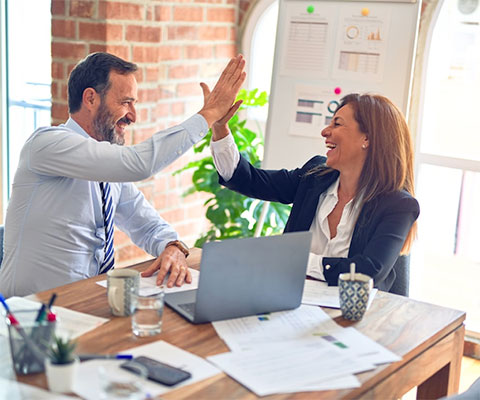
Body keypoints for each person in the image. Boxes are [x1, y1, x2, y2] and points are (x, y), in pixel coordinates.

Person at [0, 52, 245, 297]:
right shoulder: (47, 144)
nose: (133, 116)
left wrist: (173, 246)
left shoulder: (106, 171)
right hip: (28, 314)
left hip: (84, 305)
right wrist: (209, 114)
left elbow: (147, 225)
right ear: (90, 99)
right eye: (125, 102)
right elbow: (139, 164)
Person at [210, 93, 419, 292]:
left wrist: (296, 259)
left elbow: (367, 272)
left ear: (367, 138)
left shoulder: (398, 205)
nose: (325, 131)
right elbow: (249, 180)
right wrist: (220, 128)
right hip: (291, 301)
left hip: (355, 317)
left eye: (337, 124)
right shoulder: (315, 176)